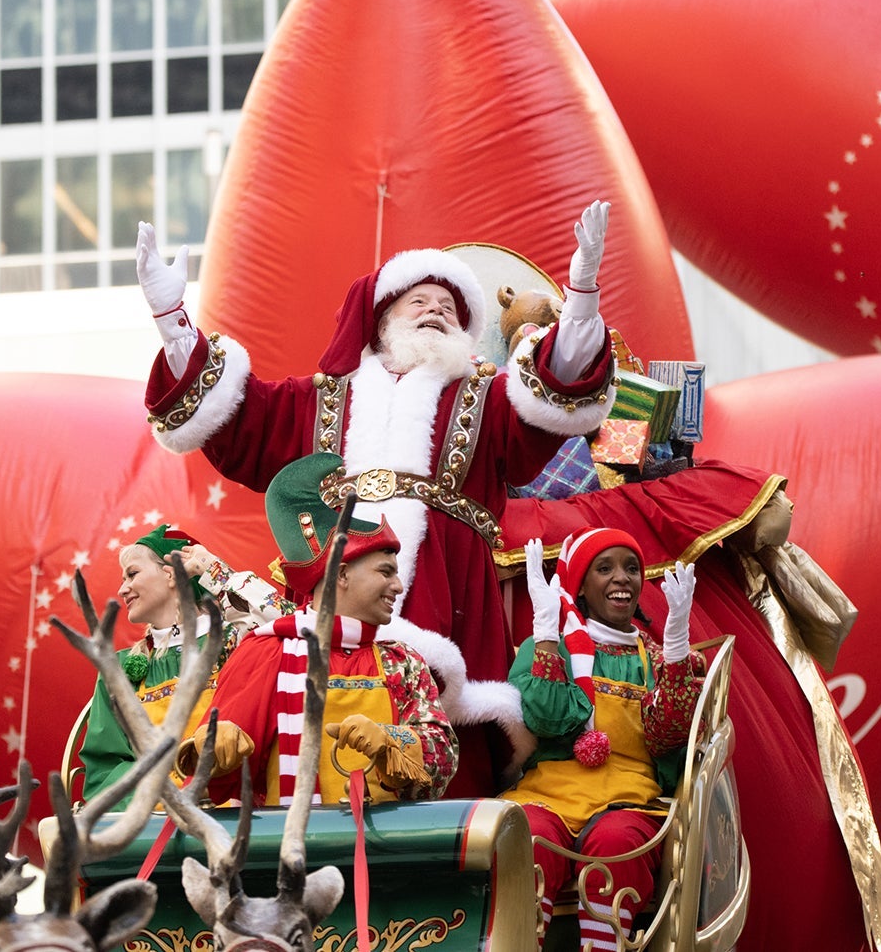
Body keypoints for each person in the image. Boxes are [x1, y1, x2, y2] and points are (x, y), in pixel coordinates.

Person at [135, 203, 617, 790]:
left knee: (449, 746)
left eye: (450, 309)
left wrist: (583, 296)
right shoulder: (318, 399)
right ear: (383, 317)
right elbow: (235, 422)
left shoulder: (486, 397)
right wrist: (171, 321)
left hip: (449, 593)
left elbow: (557, 395)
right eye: (421, 302)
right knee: (305, 734)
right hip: (332, 597)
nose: (436, 313)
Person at [176, 453, 459, 806]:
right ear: (340, 574)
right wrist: (215, 751)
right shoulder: (267, 652)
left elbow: (444, 763)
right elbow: (213, 787)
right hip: (289, 851)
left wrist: (392, 742)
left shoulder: (403, 662)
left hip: (385, 854)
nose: (399, 586)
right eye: (386, 572)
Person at [499, 528, 705, 950]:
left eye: (632, 569)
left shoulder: (653, 656)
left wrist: (677, 650)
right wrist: (543, 635)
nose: (622, 578)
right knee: (527, 837)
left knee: (616, 843)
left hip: (628, 795)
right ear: (582, 587)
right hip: (551, 791)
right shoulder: (545, 647)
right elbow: (548, 720)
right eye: (604, 568)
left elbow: (669, 736)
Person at [73, 523, 292, 805]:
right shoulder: (119, 668)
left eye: (132, 574)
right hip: (156, 830)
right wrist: (163, 795)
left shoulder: (238, 641)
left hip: (239, 824)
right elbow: (104, 770)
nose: (122, 588)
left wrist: (214, 570)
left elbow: (293, 625)